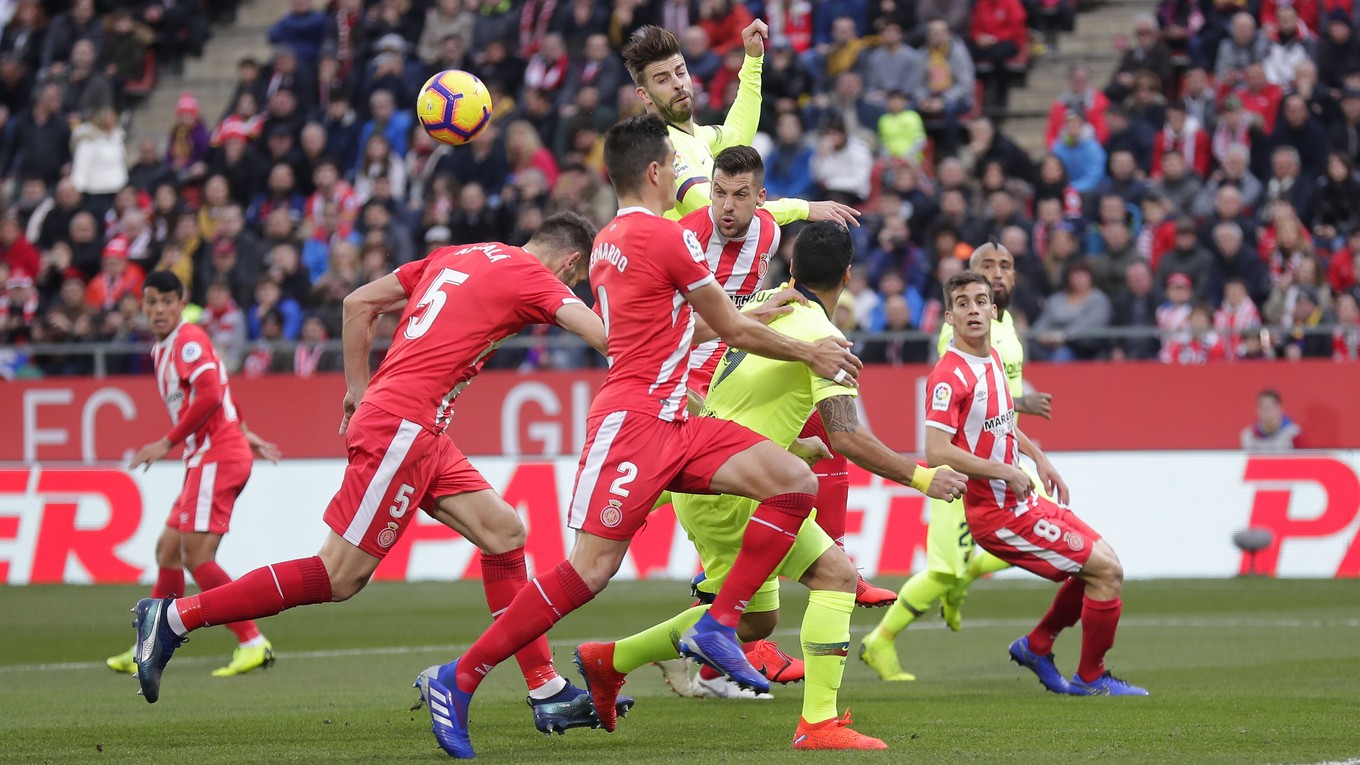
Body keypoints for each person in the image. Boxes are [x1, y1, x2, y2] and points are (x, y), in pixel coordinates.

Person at [419, 114, 862, 759]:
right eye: (676, 168)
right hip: (632, 427)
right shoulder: (668, 238)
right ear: (655, 171)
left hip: (675, 420)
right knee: (588, 572)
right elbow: (728, 330)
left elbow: (667, 331)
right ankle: (458, 677)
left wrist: (752, 311)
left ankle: (718, 624)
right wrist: (807, 350)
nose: (682, 177)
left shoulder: (608, 243)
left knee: (793, 482)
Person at [129, 214, 640, 737]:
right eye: (575, 279)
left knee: (504, 532)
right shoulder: (533, 275)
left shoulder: (460, 253)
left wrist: (357, 390)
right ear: (571, 263)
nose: (570, 287)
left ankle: (547, 690)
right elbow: (608, 339)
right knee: (338, 575)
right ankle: (174, 617)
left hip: (418, 427)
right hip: (404, 427)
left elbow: (358, 303)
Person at [574, 222, 968, 750]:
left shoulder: (762, 304)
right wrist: (923, 475)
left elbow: (743, 391)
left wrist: (792, 445)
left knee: (757, 621)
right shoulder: (825, 339)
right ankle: (819, 725)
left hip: (715, 473)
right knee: (836, 577)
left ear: (793, 266)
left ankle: (609, 659)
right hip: (736, 485)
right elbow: (848, 436)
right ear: (848, 277)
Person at [922, 270, 1147, 696]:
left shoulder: (990, 358)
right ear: (950, 317)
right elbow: (936, 451)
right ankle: (1090, 678)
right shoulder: (949, 376)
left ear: (994, 309)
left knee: (1105, 563)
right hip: (998, 516)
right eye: (963, 304)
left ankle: (1037, 646)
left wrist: (1038, 458)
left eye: (980, 301)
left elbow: (1002, 421)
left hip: (1023, 501)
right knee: (1105, 572)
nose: (973, 310)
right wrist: (1006, 471)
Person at [861, 241, 1055, 681]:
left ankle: (963, 577)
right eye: (988, 266)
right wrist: (1022, 407)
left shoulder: (1006, 327)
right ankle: (880, 641)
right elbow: (964, 399)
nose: (998, 273)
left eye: (1005, 265)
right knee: (944, 570)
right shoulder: (966, 332)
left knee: (1041, 533)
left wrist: (1035, 453)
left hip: (1004, 456)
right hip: (968, 466)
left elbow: (999, 407)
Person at [105, 271, 280, 680]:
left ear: (181, 304)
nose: (159, 310)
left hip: (215, 456)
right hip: (208, 455)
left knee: (197, 557)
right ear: (143, 306)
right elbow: (224, 389)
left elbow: (211, 394)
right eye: (152, 302)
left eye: (167, 301)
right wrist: (245, 432)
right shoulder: (163, 348)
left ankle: (252, 641)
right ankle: (147, 645)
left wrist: (166, 442)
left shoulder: (188, 341)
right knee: (168, 551)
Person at [622, 23, 857, 227]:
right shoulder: (663, 147)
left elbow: (738, 133)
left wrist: (753, 60)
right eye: (663, 80)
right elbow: (716, 208)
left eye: (680, 72)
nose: (678, 84)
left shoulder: (698, 136)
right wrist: (802, 208)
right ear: (644, 95)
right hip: (669, 267)